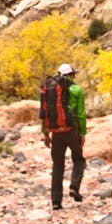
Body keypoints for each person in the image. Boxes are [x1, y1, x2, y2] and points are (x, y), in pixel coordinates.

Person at [42, 62, 86, 211]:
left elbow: (44, 112)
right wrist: (83, 133)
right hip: (72, 130)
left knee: (58, 166)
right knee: (79, 160)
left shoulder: (50, 89)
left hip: (56, 133)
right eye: (73, 74)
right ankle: (74, 187)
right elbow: (80, 114)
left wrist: (45, 134)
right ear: (71, 75)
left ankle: (56, 201)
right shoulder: (76, 89)